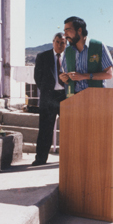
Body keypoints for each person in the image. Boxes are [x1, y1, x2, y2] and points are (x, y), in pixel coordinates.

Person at [32, 33, 68, 166]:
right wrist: (47, 91)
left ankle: (68, 158)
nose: (59, 45)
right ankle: (40, 159)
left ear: (66, 44)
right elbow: (37, 77)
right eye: (57, 42)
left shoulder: (70, 58)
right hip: (48, 97)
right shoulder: (43, 56)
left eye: (62, 42)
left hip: (65, 97)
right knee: (45, 130)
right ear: (53, 42)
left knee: (68, 129)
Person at [59, 16, 113, 95]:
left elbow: (109, 74)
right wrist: (64, 79)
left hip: (96, 96)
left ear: (79, 30)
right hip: (74, 98)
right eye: (64, 31)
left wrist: (84, 76)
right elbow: (68, 79)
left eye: (68, 30)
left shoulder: (98, 46)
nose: (65, 35)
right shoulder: (67, 51)